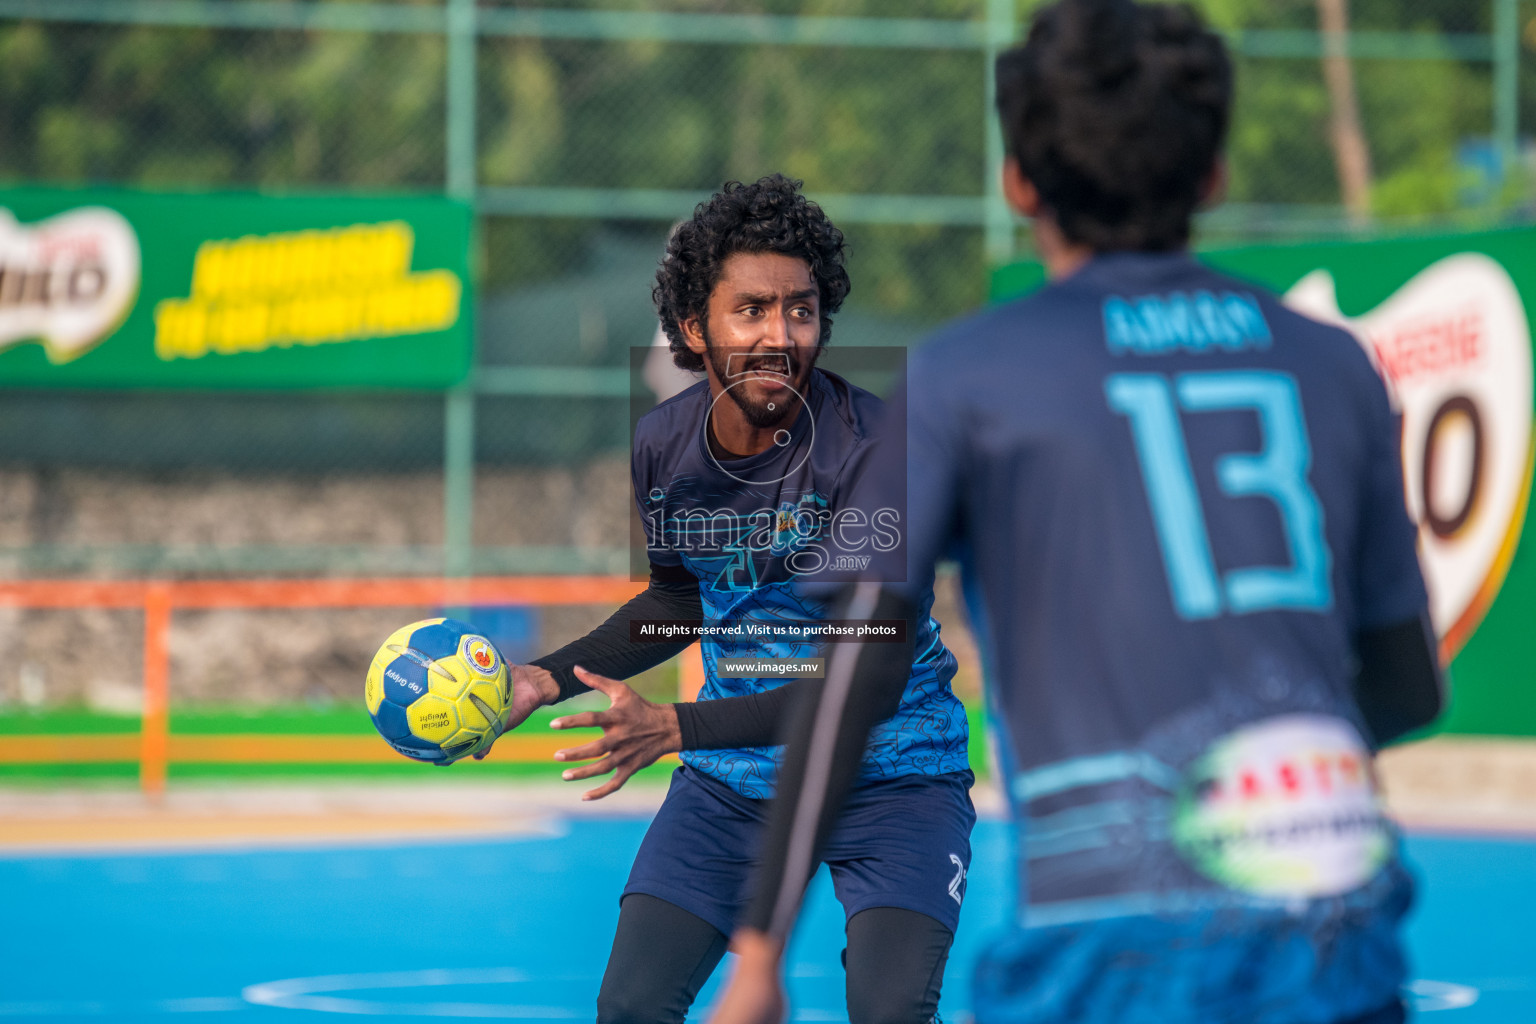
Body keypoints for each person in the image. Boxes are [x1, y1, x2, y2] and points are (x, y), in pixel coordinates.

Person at [710, 4, 1446, 1024]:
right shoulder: (1333, 364)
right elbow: (1407, 683)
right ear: (1213, 172)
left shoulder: (967, 376)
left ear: (1019, 181)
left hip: (1110, 943)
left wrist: (759, 950)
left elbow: (858, 671)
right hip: (1332, 933)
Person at [482, 174, 975, 1024]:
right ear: (692, 327)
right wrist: (542, 679)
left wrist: (676, 727)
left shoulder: (874, 451)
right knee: (631, 1006)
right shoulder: (663, 447)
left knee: (890, 1013)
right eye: (750, 310)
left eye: (800, 309)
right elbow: (676, 604)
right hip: (733, 780)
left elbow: (868, 686)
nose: (779, 335)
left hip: (896, 775)